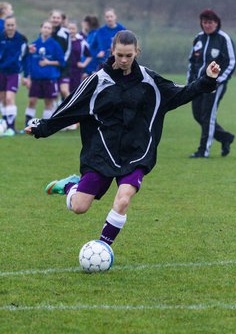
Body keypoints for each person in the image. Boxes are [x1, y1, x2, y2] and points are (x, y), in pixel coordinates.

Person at [25, 30, 220, 246]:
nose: (124, 60)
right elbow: (69, 108)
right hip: (102, 152)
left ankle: (102, 247)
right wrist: (41, 128)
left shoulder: (150, 80)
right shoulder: (97, 81)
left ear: (137, 52)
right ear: (112, 52)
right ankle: (71, 185)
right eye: (120, 55)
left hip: (136, 152)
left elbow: (180, 93)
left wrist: (207, 80)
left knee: (124, 198)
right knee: (79, 207)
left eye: (129, 55)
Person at [187, 9, 236, 158]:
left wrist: (220, 79)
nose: (207, 25)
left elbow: (231, 62)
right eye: (204, 22)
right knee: (198, 115)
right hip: (197, 84)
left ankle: (203, 151)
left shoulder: (223, 39)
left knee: (208, 116)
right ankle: (224, 137)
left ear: (216, 23)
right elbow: (192, 61)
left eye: (210, 22)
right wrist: (190, 80)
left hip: (215, 85)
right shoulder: (199, 38)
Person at [23, 21, 65, 126]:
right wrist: (27, 77)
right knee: (32, 101)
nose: (46, 29)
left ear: (51, 31)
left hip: (49, 78)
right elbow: (28, 62)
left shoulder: (55, 45)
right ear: (41, 29)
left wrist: (48, 62)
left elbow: (62, 62)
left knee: (48, 102)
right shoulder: (34, 45)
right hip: (36, 78)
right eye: (45, 27)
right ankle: (28, 124)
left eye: (49, 28)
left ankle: (46, 126)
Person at [0, 15, 29, 136]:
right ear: (5, 26)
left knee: (9, 98)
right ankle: (5, 124)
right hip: (1, 72)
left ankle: (11, 128)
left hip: (14, 73)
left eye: (12, 25)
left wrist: (26, 75)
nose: (10, 27)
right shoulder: (0, 37)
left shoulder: (21, 39)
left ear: (15, 25)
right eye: (8, 25)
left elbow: (25, 57)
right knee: (2, 99)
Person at [49, 10, 71, 101]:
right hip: (50, 65)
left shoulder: (65, 32)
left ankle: (70, 111)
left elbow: (68, 50)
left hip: (63, 66)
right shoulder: (47, 31)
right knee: (53, 93)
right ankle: (55, 114)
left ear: (61, 20)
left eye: (58, 18)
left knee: (64, 90)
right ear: (50, 18)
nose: (55, 20)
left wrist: (62, 61)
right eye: (54, 17)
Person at [68, 21, 92, 92]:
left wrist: (84, 64)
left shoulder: (81, 42)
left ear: (77, 30)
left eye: (73, 29)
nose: (71, 31)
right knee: (64, 91)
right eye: (69, 29)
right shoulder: (64, 41)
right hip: (65, 70)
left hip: (76, 71)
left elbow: (89, 56)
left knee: (74, 92)